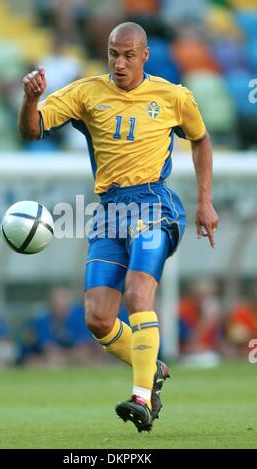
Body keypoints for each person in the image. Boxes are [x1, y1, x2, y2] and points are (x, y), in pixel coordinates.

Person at [19, 22, 218, 432]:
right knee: (98, 318)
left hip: (153, 204)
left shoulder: (173, 96)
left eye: (129, 54)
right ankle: (152, 366)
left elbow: (200, 139)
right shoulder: (85, 92)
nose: (120, 62)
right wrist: (30, 99)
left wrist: (205, 201)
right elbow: (32, 128)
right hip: (108, 212)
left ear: (145, 55)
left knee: (138, 292)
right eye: (113, 54)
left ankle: (142, 398)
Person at [21, 286, 104, 366]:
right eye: (58, 304)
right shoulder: (41, 322)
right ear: (51, 304)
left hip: (67, 357)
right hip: (42, 357)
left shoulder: (77, 319)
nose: (62, 308)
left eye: (65, 304)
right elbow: (49, 349)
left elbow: (84, 347)